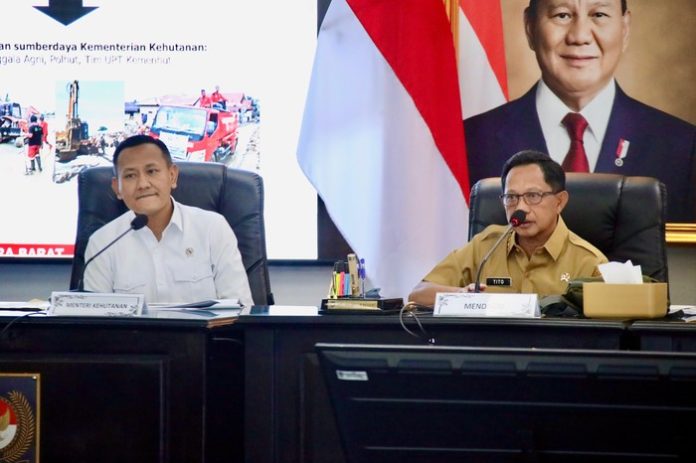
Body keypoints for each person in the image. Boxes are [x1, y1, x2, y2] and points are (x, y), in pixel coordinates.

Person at [464, 0, 696, 223]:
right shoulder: (470, 142)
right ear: (530, 27)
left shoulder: (684, 148)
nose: (579, 36)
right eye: (562, 15)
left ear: (624, 28)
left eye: (599, 15)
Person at [408, 150, 607, 306]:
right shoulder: (485, 247)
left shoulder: (589, 263)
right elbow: (418, 294)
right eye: (511, 197)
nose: (520, 208)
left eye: (533, 196)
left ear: (559, 202)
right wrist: (461, 296)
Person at [83, 134, 254, 306]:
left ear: (172, 176)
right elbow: (95, 319)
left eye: (151, 171)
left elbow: (241, 308)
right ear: (117, 188)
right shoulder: (102, 244)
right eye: (130, 176)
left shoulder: (213, 228)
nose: (143, 184)